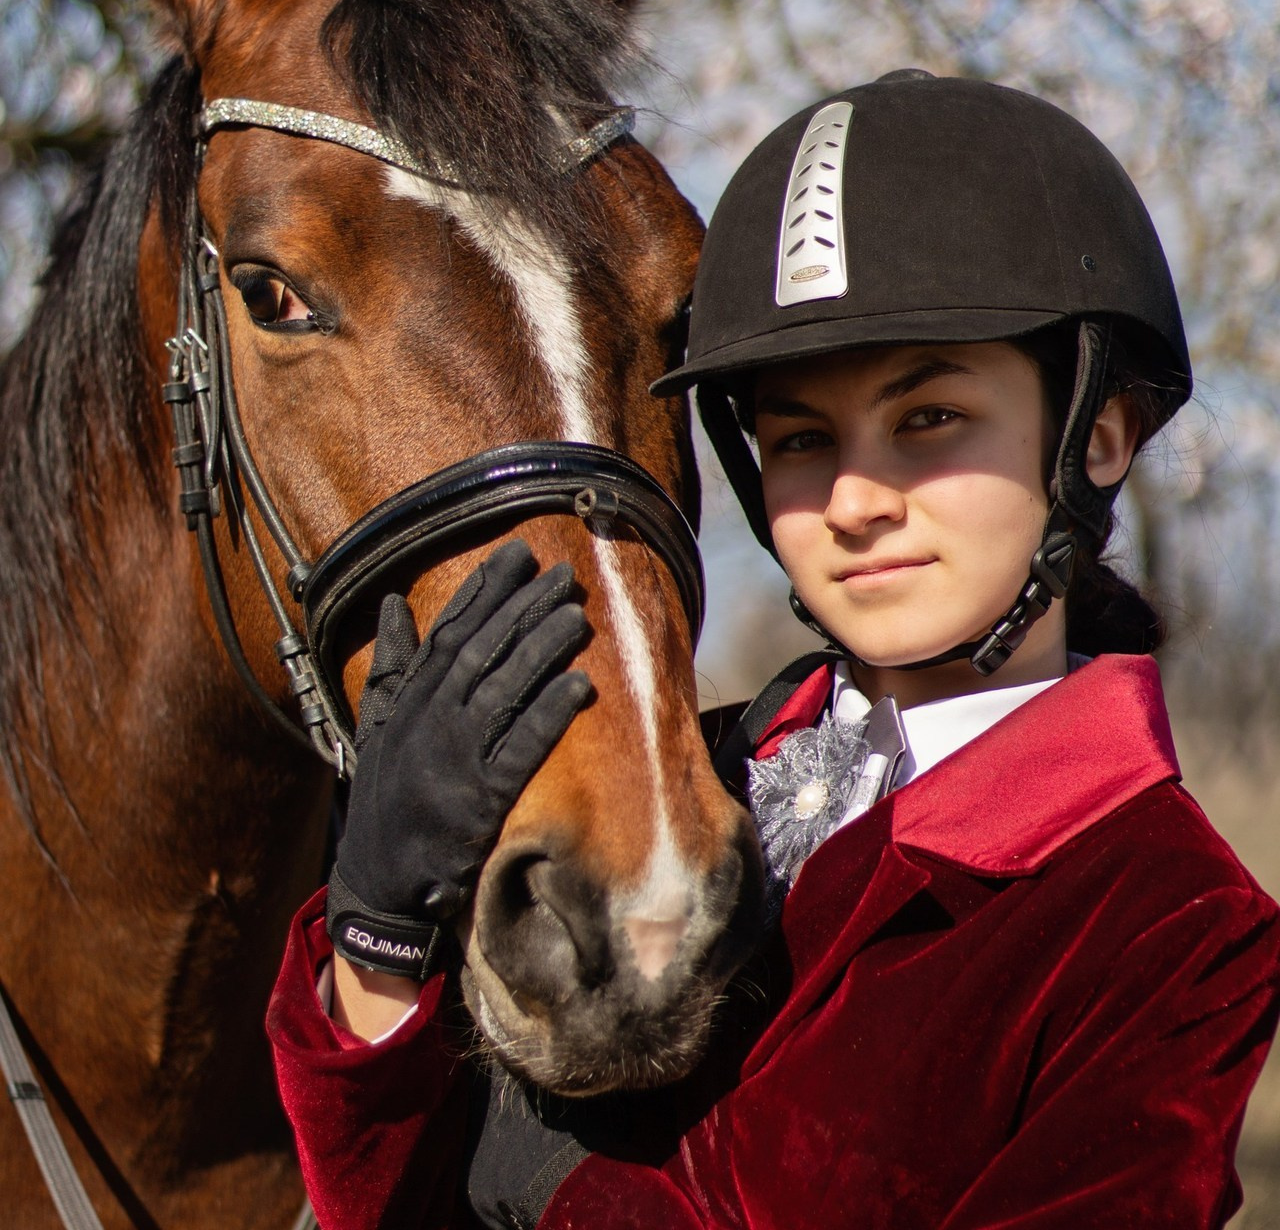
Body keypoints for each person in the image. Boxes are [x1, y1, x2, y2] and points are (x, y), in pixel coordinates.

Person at [267, 71, 1280, 1229]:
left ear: (1094, 435)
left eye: (926, 419)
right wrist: (379, 931)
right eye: (801, 439)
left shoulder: (1170, 920)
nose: (852, 500)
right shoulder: (685, 789)